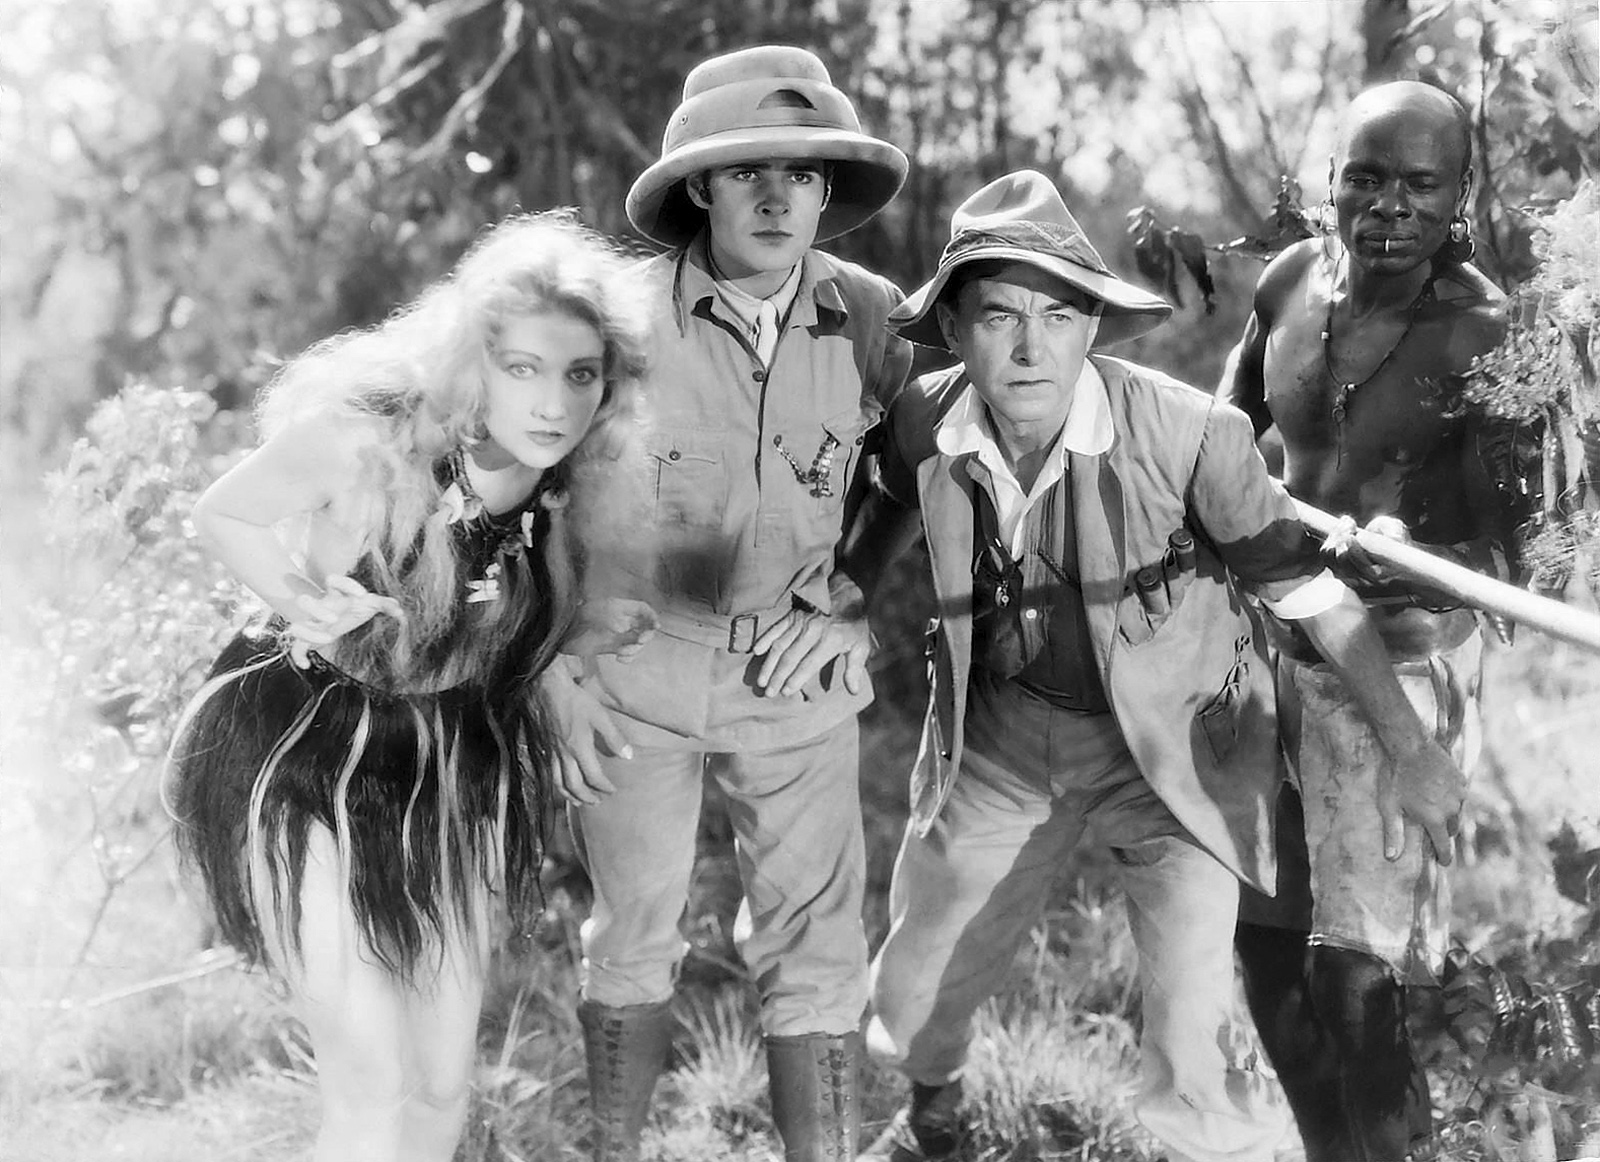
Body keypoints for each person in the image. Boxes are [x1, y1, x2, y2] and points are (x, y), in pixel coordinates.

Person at [843, 170, 1470, 1162]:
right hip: (1000, 738)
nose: (1029, 347)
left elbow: (1312, 597)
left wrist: (1413, 749)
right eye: (999, 316)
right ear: (953, 330)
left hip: (1176, 752)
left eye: (1057, 316)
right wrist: (842, 606)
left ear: (1092, 326)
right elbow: (882, 500)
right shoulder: (926, 418)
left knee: (1191, 1023)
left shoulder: (1192, 437)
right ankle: (933, 1114)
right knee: (914, 988)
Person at [163, 212, 652, 1162]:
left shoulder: (568, 479)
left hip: (451, 768)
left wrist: (564, 673)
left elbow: (506, 615)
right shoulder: (370, 437)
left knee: (439, 1087)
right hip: (306, 758)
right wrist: (302, 600)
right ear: (473, 362)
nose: (554, 402)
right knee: (371, 1083)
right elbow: (223, 513)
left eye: (580, 374)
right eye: (523, 368)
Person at [552, 44, 912, 1162]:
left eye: (801, 173)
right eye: (747, 170)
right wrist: (551, 665)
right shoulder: (616, 321)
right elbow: (532, 488)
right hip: (632, 667)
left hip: (794, 673)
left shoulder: (871, 317)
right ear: (699, 186)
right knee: (632, 928)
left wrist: (852, 596)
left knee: (818, 945)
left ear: (826, 189)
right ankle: (615, 1150)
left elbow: (912, 472)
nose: (775, 197)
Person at [1218, 81, 1523, 1161]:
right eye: (1367, 178)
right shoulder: (1290, 281)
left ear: (1459, 195)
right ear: (1331, 181)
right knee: (1266, 947)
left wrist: (1412, 556)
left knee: (1355, 973)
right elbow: (1223, 437)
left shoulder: (1484, 335)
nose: (1390, 206)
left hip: (1399, 665)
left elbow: (1514, 554)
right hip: (1271, 643)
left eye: (1420, 185)